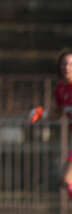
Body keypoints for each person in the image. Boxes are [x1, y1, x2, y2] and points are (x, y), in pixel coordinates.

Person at [28, 48, 72, 203]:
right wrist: (43, 114)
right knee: (65, 179)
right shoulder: (60, 89)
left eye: (70, 64)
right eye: (64, 64)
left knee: (65, 178)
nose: (66, 67)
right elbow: (58, 113)